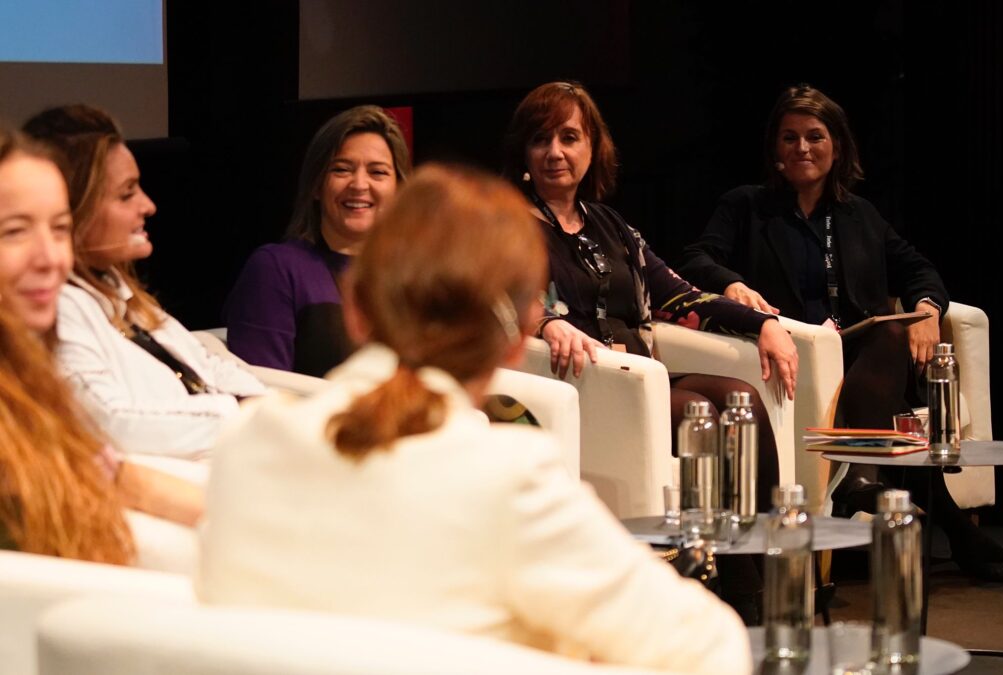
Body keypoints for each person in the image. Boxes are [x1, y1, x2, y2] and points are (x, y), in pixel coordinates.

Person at [198, 165, 751, 673]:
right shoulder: (509, 478)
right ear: (517, 342)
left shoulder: (248, 445)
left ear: (355, 311)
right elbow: (709, 649)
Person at [678, 83, 1003, 581]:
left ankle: (860, 475)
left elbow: (918, 270)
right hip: (794, 347)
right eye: (789, 138)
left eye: (815, 136)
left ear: (837, 146)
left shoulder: (861, 215)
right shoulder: (746, 206)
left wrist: (925, 310)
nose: (802, 149)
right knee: (886, 372)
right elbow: (695, 258)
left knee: (889, 334)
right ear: (775, 149)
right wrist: (734, 283)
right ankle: (941, 521)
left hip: (861, 353)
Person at [503, 82, 799, 621]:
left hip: (645, 371)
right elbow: (503, 298)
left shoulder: (609, 225)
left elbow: (677, 293)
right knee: (703, 414)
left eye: (569, 137)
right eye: (540, 139)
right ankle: (744, 596)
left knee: (743, 404)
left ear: (593, 148)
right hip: (588, 383)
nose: (555, 152)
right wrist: (547, 323)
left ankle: (757, 567)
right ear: (524, 152)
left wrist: (761, 324)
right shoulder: (505, 225)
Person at [0, 128, 201, 563]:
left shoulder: (29, 377)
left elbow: (120, 479)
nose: (50, 258)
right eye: (15, 232)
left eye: (59, 231)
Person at [23, 105, 265, 459]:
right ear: (74, 211)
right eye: (126, 193)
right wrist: (241, 415)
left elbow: (207, 364)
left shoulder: (118, 289)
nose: (148, 205)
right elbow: (108, 421)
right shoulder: (58, 305)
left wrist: (267, 409)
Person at [224, 106, 411, 376]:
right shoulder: (277, 269)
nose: (359, 184)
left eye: (378, 172)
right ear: (316, 185)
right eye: (342, 169)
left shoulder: (416, 274)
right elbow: (260, 391)